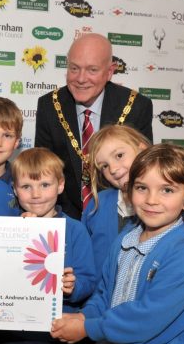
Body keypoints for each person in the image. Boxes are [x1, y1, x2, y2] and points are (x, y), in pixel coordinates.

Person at [51, 143, 184, 344]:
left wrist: (88, 328)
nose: (151, 200)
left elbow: (147, 320)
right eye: (141, 188)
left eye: (167, 190)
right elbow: (105, 293)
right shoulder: (125, 238)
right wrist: (83, 317)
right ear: (128, 191)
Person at [0, 147, 96, 344]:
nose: (36, 194)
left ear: (60, 186)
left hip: (57, 340)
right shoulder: (5, 230)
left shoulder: (75, 230)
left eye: (44, 185)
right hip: (12, 340)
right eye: (26, 186)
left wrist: (74, 286)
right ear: (15, 190)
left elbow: (89, 281)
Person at [35, 33, 153, 220]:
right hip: (65, 218)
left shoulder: (136, 106)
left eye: (92, 70)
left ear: (110, 72)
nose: (81, 79)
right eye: (74, 68)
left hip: (120, 218)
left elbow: (145, 171)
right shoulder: (49, 105)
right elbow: (42, 169)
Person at [81, 125, 151, 276]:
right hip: (98, 297)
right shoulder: (96, 206)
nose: (112, 169)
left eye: (119, 155)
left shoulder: (159, 206)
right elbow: (81, 258)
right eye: (104, 166)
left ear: (141, 150)